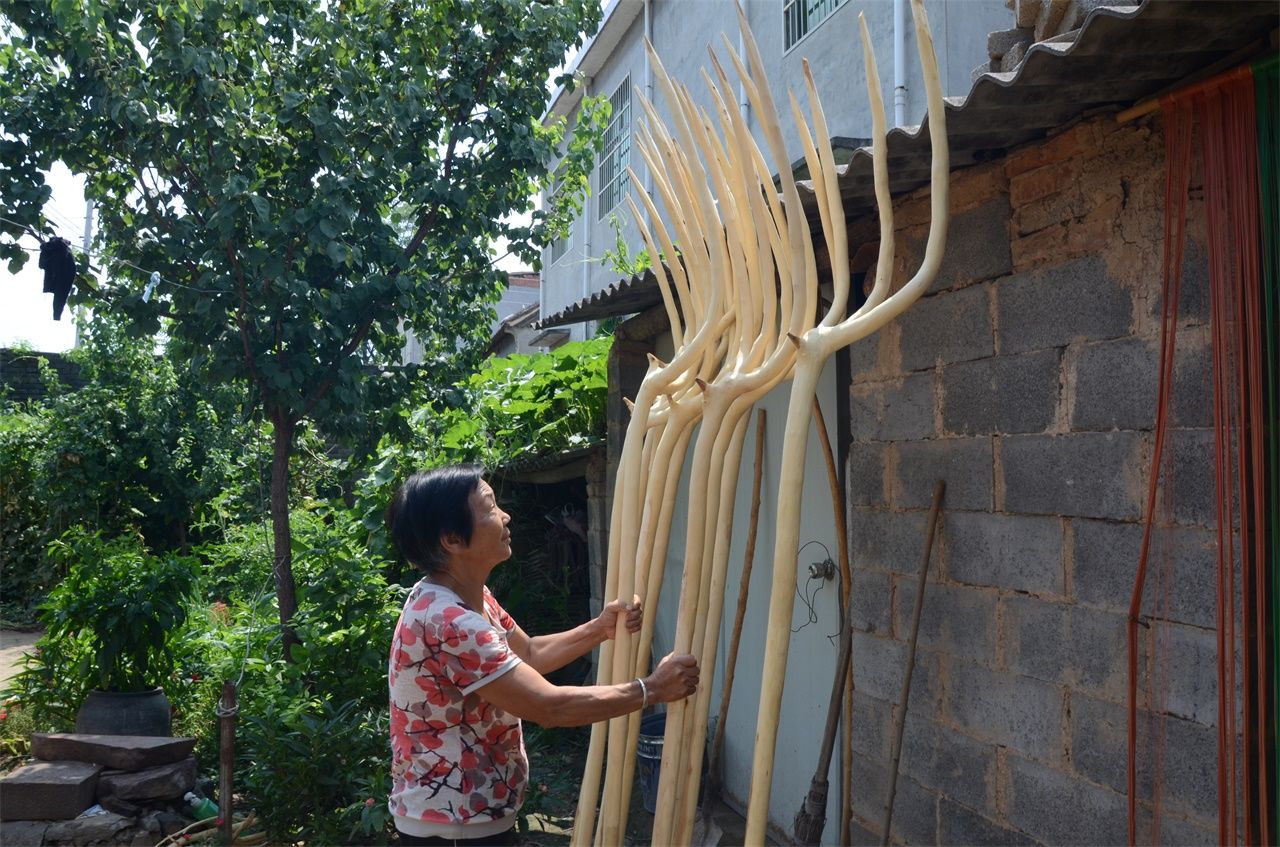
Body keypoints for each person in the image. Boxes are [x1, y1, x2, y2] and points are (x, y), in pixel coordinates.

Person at [386, 465, 700, 846]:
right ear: (452, 538)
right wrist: (652, 689)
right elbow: (548, 707)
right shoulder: (448, 621)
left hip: (469, 816)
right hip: (455, 827)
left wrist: (600, 628)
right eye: (489, 507)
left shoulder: (465, 599)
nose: (505, 516)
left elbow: (529, 653)